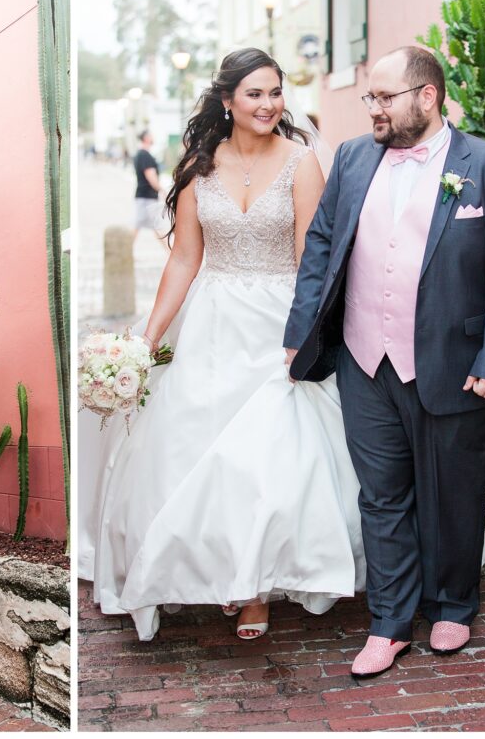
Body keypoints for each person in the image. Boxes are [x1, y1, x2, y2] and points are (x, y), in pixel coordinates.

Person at [79, 48, 365, 642]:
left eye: (275, 92)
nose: (268, 104)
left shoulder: (301, 162)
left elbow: (311, 257)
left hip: (276, 325)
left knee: (263, 457)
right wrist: (144, 341)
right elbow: (185, 259)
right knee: (199, 452)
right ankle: (216, 571)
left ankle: (254, 587)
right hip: (212, 326)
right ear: (229, 100)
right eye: (255, 94)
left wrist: (302, 335)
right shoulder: (199, 167)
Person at [285, 46, 485, 677]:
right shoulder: (350, 158)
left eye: (384, 97)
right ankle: (390, 621)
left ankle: (452, 603)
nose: (373, 108)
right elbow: (321, 245)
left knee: (453, 492)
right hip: (365, 359)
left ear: (427, 96)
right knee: (381, 496)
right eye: (369, 96)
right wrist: (301, 331)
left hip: (453, 362)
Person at [133, 130, 165, 243]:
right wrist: (161, 189)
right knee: (152, 226)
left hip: (144, 196)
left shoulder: (140, 154)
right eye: (151, 135)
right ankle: (170, 253)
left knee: (155, 227)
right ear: (146, 138)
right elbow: (151, 176)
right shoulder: (145, 155)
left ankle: (170, 252)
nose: (153, 137)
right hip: (147, 196)